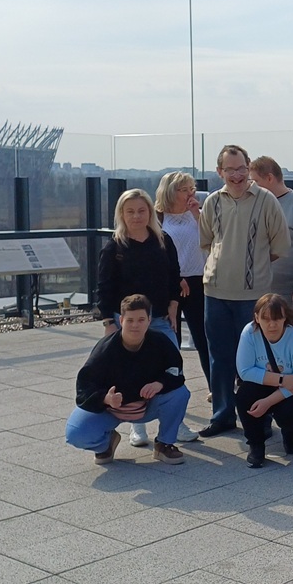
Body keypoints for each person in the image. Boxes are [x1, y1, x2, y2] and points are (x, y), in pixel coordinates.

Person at [198, 144, 290, 438]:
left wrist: (253, 267)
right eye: (230, 169)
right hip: (215, 293)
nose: (236, 175)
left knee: (256, 361)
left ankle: (259, 419)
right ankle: (222, 415)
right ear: (219, 171)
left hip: (253, 297)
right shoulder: (212, 202)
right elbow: (207, 241)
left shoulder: (266, 200)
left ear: (249, 168)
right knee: (219, 358)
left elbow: (280, 246)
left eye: (241, 168)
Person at [97, 188, 199, 445]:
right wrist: (109, 323)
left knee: (172, 369)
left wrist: (174, 305)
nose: (136, 216)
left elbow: (174, 276)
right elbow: (104, 288)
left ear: (150, 212)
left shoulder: (163, 241)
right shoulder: (114, 247)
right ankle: (138, 425)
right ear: (121, 214)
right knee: (131, 371)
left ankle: (175, 423)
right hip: (127, 323)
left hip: (160, 319)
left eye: (142, 210)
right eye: (130, 211)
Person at [66, 294, 190, 466]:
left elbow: (176, 370)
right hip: (111, 410)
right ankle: (105, 444)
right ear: (121, 320)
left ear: (149, 320)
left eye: (141, 320)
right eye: (130, 320)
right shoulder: (105, 349)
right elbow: (84, 387)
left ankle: (164, 444)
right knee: (75, 433)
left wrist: (160, 383)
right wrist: (105, 398)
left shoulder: (160, 342)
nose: (135, 325)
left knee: (180, 393)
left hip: (147, 406)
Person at [235, 294, 293, 468]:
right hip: (272, 383)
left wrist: (267, 402)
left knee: (291, 408)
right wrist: (282, 379)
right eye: (266, 319)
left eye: (277, 318)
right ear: (257, 318)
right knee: (244, 395)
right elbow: (245, 371)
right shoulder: (249, 333)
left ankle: (291, 431)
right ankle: (256, 444)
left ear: (285, 317)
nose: (272, 325)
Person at [250, 155, 293, 339]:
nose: (251, 186)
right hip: (260, 290)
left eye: (255, 181)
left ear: (269, 178)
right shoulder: (256, 206)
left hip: (290, 293)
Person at [155, 172, 211, 385]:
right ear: (171, 192)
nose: (190, 194)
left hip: (199, 281)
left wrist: (197, 214)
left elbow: (213, 238)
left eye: (192, 189)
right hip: (172, 283)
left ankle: (215, 387)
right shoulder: (158, 218)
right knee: (172, 337)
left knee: (204, 339)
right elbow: (157, 254)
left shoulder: (199, 214)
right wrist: (176, 277)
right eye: (184, 190)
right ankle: (172, 385)